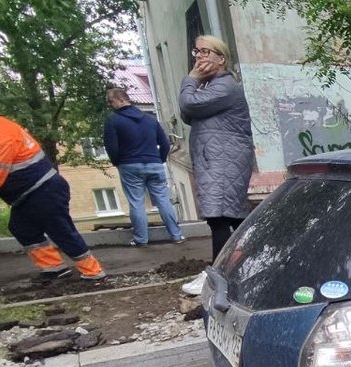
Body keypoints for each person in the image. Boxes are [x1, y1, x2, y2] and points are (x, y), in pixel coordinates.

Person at [0, 93, 105, 280]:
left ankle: (93, 271)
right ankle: (54, 268)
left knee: (60, 230)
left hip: (43, 190)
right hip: (31, 193)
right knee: (22, 227)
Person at [178, 34, 254, 296]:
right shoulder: (209, 87)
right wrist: (195, 83)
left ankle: (215, 277)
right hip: (216, 159)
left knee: (221, 217)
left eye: (205, 52)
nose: (199, 57)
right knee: (230, 218)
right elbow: (186, 113)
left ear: (221, 58)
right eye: (196, 52)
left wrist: (190, 78)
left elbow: (188, 104)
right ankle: (246, 266)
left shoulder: (225, 87)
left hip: (224, 159)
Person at [103, 87, 184, 247]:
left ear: (120, 100)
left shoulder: (113, 120)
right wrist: (159, 160)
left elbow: (111, 147)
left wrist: (117, 162)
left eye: (111, 101)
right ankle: (177, 235)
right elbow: (165, 143)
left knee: (136, 202)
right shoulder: (150, 119)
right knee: (163, 199)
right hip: (154, 164)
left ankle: (141, 239)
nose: (110, 105)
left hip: (129, 165)